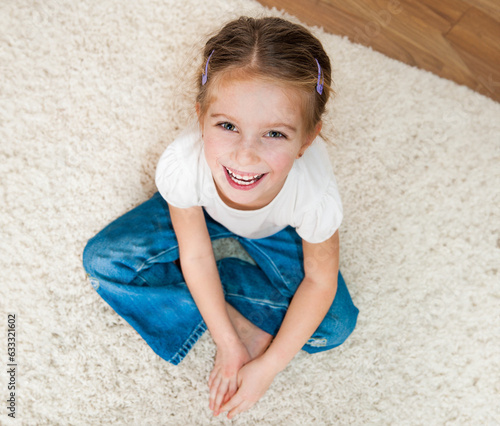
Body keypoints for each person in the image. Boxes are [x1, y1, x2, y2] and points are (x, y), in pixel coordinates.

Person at [82, 16, 359, 419]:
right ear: (201, 117)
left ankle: (212, 292)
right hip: (202, 206)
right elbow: (193, 254)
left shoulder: (315, 197)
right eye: (228, 126)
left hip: (277, 228)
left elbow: (320, 279)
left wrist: (268, 366)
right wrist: (227, 339)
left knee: (334, 325)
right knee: (103, 261)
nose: (245, 156)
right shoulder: (184, 165)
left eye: (275, 134)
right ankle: (231, 313)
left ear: (308, 139)